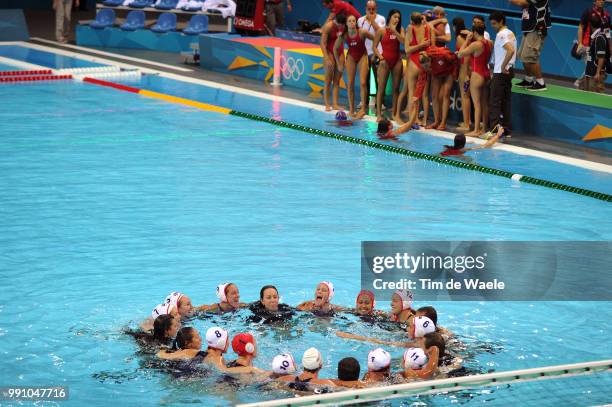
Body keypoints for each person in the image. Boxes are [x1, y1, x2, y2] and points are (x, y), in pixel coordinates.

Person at [396, 12, 435, 125]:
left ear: (412, 21)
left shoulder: (410, 28)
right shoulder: (428, 27)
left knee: (412, 93)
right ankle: (423, 120)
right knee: (425, 94)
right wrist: (423, 46)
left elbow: (407, 50)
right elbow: (432, 47)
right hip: (425, 62)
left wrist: (419, 45)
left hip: (414, 61)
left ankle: (413, 119)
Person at [334, 14, 374, 119]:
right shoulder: (344, 35)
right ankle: (351, 109)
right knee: (350, 83)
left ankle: (363, 110)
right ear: (346, 24)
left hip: (362, 56)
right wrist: (338, 63)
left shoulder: (362, 32)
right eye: (350, 21)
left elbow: (376, 38)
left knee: (363, 82)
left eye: (353, 21)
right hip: (351, 57)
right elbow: (335, 48)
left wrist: (376, 52)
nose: (352, 22)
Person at [458, 26, 492, 137]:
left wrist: (467, 40)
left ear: (475, 32)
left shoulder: (475, 45)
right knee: (484, 103)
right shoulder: (489, 42)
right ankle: (484, 128)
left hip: (477, 75)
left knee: (477, 104)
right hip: (487, 73)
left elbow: (460, 54)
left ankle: (476, 130)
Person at [510, 0, 551, 91]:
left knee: (531, 56)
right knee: (523, 55)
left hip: (537, 28)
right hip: (529, 28)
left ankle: (541, 83)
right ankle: (529, 80)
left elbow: (522, 3)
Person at [373, 9, 404, 121]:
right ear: (390, 17)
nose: (397, 19)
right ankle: (379, 114)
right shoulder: (381, 31)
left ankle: (395, 113)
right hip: (385, 60)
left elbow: (404, 42)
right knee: (381, 88)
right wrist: (380, 57)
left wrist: (395, 31)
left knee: (396, 89)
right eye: (395, 17)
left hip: (397, 61)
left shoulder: (400, 30)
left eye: (398, 18)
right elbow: (374, 46)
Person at [488, 12, 516, 137]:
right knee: (506, 101)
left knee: (495, 101)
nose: (493, 26)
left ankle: (494, 130)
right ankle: (506, 130)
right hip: (509, 71)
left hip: (501, 72)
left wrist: (503, 65)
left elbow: (510, 50)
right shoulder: (511, 34)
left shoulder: (501, 34)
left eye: (494, 23)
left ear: (501, 22)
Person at [357, 1, 386, 109]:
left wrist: (372, 20)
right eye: (369, 9)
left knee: (379, 79)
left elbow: (380, 32)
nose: (371, 11)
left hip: (378, 51)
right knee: (365, 79)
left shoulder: (381, 19)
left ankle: (380, 102)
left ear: (376, 8)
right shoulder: (360, 20)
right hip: (365, 53)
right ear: (366, 8)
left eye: (373, 9)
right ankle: (364, 100)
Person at [321, 14, 347, 112]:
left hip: (340, 53)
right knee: (328, 80)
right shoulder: (329, 26)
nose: (341, 28)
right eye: (339, 26)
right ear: (336, 22)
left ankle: (335, 104)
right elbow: (323, 43)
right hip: (329, 52)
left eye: (342, 26)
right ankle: (327, 104)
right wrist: (326, 57)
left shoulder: (345, 26)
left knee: (336, 81)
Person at [453, 17, 471, 132]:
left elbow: (466, 55)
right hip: (467, 69)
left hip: (464, 70)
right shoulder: (467, 36)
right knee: (467, 97)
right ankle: (468, 121)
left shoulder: (460, 38)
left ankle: (466, 123)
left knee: (465, 97)